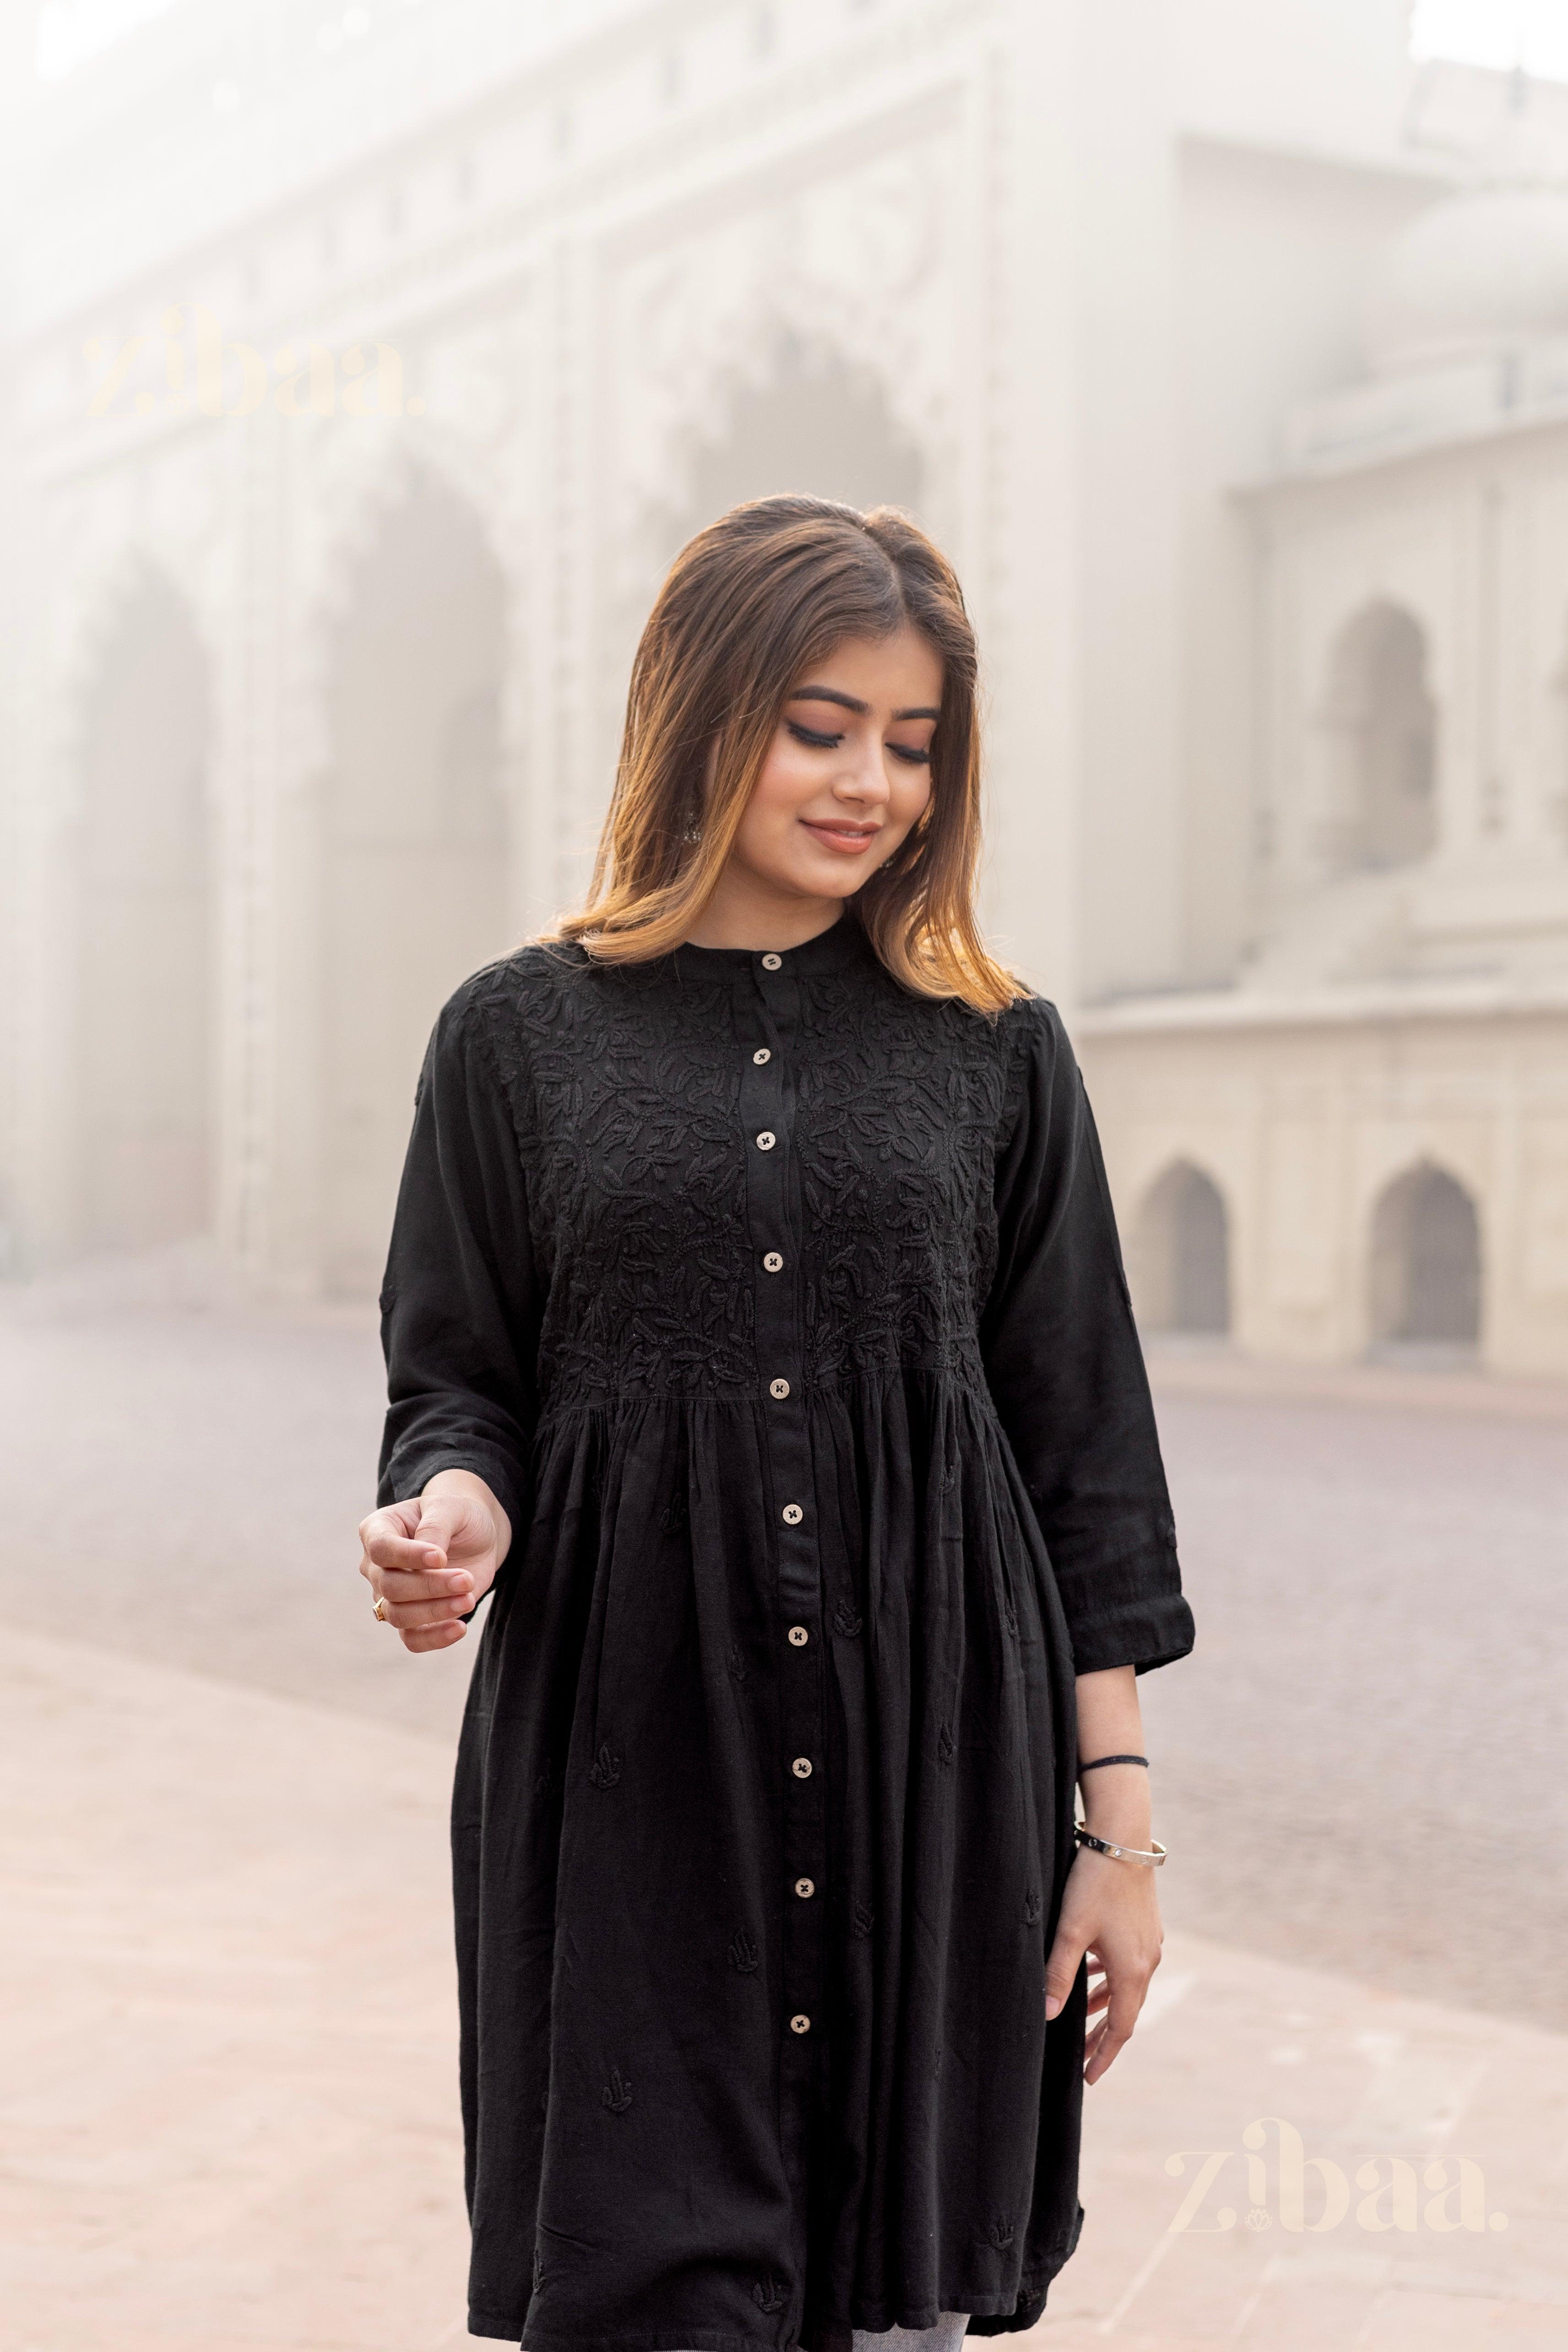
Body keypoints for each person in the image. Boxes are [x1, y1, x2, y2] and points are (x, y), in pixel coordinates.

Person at [357, 496, 1195, 2352]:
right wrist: (453, 1509)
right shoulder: (512, 1038)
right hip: (627, 1766)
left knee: (898, 2290)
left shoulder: (993, 1045)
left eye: (910, 743)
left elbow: (1079, 1446)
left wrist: (1115, 1835)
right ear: (701, 711)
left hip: (939, 1775)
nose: (868, 784)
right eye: (820, 725)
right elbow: (454, 1378)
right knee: (649, 2284)